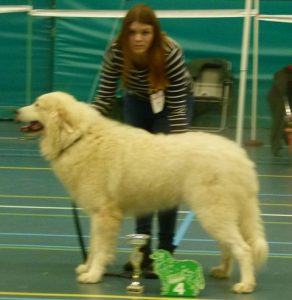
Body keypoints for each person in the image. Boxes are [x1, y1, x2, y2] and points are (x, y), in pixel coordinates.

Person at [92, 4, 193, 277]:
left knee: (167, 177)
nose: (138, 38)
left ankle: (165, 251)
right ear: (125, 33)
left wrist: (179, 146)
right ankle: (142, 248)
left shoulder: (169, 51)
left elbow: (178, 105)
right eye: (133, 32)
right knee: (139, 177)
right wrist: (84, 127)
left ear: (154, 33)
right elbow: (103, 97)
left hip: (172, 103)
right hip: (136, 101)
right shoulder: (115, 52)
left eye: (145, 32)